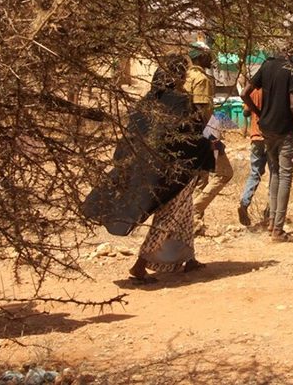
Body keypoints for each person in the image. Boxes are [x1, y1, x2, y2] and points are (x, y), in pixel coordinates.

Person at [82, 54, 215, 282]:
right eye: (182, 74)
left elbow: (131, 138)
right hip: (174, 172)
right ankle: (140, 265)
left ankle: (188, 258)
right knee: (169, 216)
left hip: (148, 168)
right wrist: (207, 152)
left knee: (182, 213)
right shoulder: (181, 102)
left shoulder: (144, 103)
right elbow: (193, 135)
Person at [242, 41, 293, 242]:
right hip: (284, 129)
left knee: (275, 173)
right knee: (285, 176)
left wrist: (259, 112)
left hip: (266, 129)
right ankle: (278, 229)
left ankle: (272, 222)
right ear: (291, 53)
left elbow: (244, 93)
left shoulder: (267, 65)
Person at [184, 42, 234, 232]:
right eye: (208, 55)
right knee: (225, 173)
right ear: (200, 57)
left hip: (189, 136)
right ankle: (194, 211)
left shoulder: (185, 77)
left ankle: (194, 225)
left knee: (199, 179)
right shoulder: (202, 80)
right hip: (204, 135)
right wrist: (213, 139)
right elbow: (201, 111)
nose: (211, 58)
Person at [238, 87, 266, 226]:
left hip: (255, 137)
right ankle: (271, 209)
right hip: (270, 137)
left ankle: (244, 202)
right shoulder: (270, 89)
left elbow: (245, 113)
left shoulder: (252, 91)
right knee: (276, 174)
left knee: (255, 173)